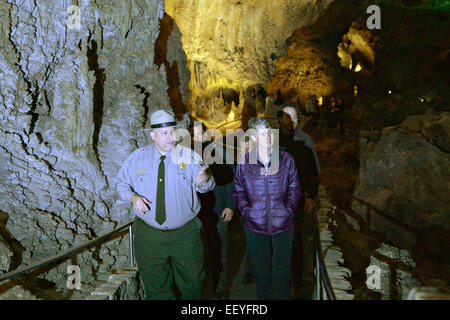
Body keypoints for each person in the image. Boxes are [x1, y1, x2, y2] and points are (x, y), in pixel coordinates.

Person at [114, 109, 215, 300]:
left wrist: (203, 181)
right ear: (153, 135)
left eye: (173, 131)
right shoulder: (137, 158)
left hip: (186, 234)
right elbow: (120, 183)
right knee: (157, 287)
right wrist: (133, 198)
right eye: (165, 133)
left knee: (194, 284)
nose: (171, 137)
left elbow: (207, 186)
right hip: (150, 235)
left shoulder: (189, 156)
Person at [234, 117, 301, 300]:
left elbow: (294, 189)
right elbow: (238, 190)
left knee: (282, 276)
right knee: (263, 277)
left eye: (270, 131)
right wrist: (247, 213)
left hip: (283, 225)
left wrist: (288, 212)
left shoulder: (286, 159)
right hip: (255, 226)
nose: (269, 136)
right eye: (263, 133)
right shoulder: (245, 162)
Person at [277, 103, 320, 297]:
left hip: (296, 201)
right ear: (279, 119)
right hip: (276, 199)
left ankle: (297, 285)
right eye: (287, 117)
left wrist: (311, 195)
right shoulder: (272, 142)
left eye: (293, 117)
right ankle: (279, 281)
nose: (291, 120)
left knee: (296, 243)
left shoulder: (305, 141)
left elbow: (312, 171)